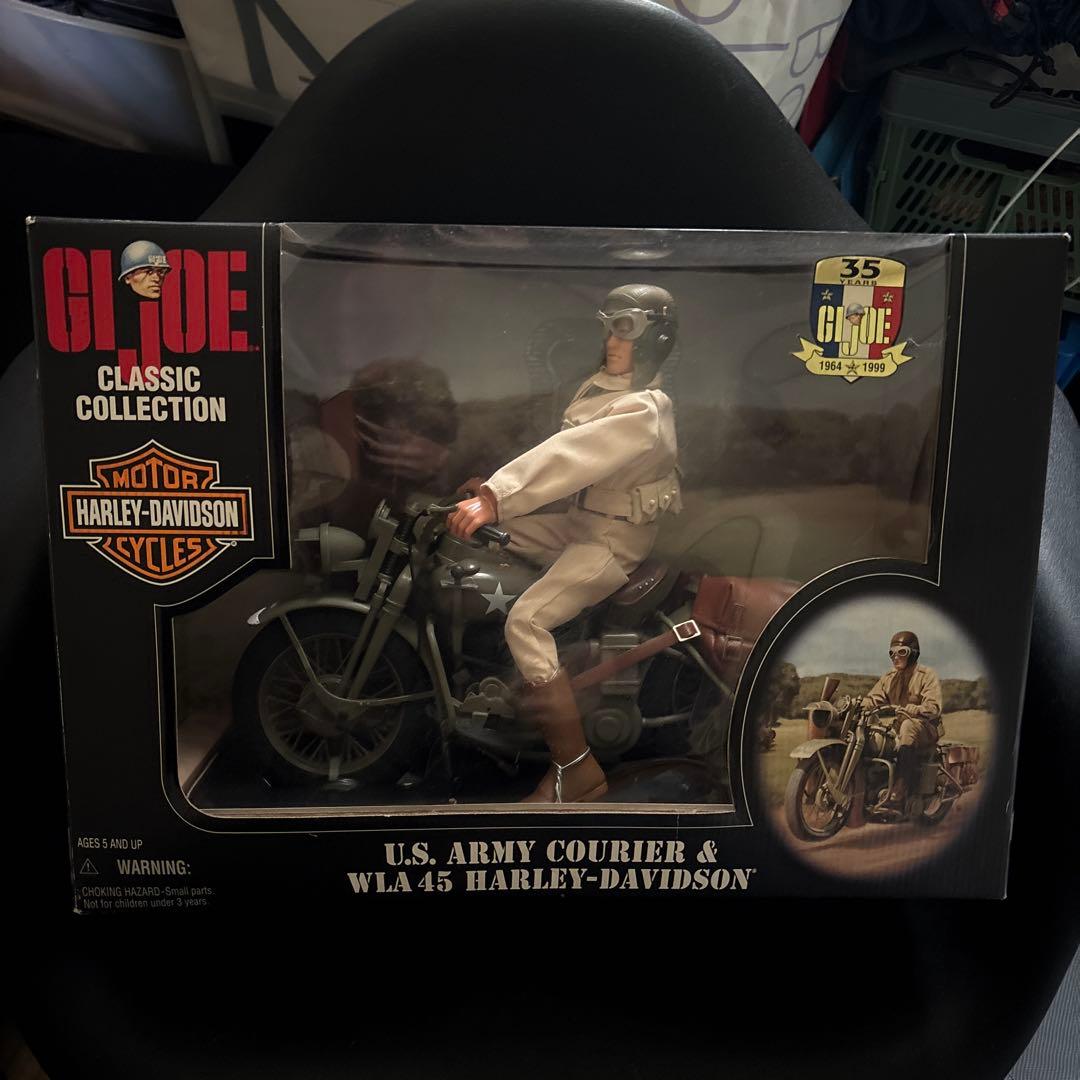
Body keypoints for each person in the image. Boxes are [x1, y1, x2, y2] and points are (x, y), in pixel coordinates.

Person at [447, 284, 682, 803]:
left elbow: (571, 455)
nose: (611, 341)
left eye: (625, 331)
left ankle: (575, 769)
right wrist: (490, 500)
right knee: (481, 542)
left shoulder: (643, 410)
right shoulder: (606, 391)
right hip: (582, 524)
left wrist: (496, 497)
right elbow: (561, 451)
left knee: (526, 622)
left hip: (613, 540)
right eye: (609, 328)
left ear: (654, 340)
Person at [861, 630, 943, 811]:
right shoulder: (889, 678)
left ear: (913, 653)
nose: (895, 657)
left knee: (908, 726)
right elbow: (873, 699)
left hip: (926, 727)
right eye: (891, 653)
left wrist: (918, 709)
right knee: (874, 735)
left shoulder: (926, 675)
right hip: (899, 728)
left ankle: (901, 787)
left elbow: (934, 706)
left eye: (901, 652)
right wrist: (857, 704)